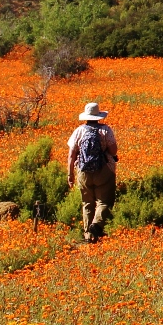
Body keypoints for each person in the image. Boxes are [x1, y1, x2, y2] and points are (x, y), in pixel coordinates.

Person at [67, 102, 118, 243]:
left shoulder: (79, 131)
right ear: (99, 116)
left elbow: (71, 154)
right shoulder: (105, 130)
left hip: (83, 172)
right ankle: (96, 225)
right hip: (103, 170)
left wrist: (70, 174)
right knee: (104, 201)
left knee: (87, 203)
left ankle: (88, 236)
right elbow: (113, 151)